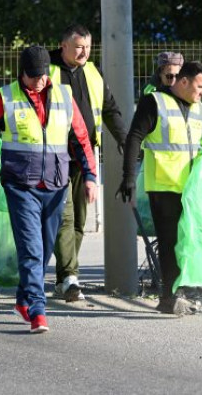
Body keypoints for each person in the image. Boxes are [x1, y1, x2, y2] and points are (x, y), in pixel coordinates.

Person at [0, 46, 97, 333]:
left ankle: (22, 299)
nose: (39, 81)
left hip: (56, 185)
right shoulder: (6, 97)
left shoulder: (64, 95)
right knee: (31, 249)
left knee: (46, 248)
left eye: (43, 75)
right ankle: (38, 310)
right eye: (32, 75)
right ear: (22, 73)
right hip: (20, 185)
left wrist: (89, 176)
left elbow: (82, 138)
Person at [117, 61, 202, 315]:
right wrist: (128, 177)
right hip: (163, 184)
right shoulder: (154, 102)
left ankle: (175, 292)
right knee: (170, 241)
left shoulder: (198, 107)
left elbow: (197, 143)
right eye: (200, 87)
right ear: (183, 81)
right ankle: (170, 296)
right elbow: (134, 136)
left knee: (187, 240)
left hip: (190, 187)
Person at [49, 24, 127, 301]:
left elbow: (109, 109)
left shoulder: (93, 72)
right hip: (54, 156)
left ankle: (64, 277)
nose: (84, 52)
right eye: (79, 46)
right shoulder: (47, 70)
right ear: (63, 45)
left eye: (88, 47)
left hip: (85, 156)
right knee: (64, 219)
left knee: (80, 221)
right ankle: (69, 276)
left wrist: (123, 138)